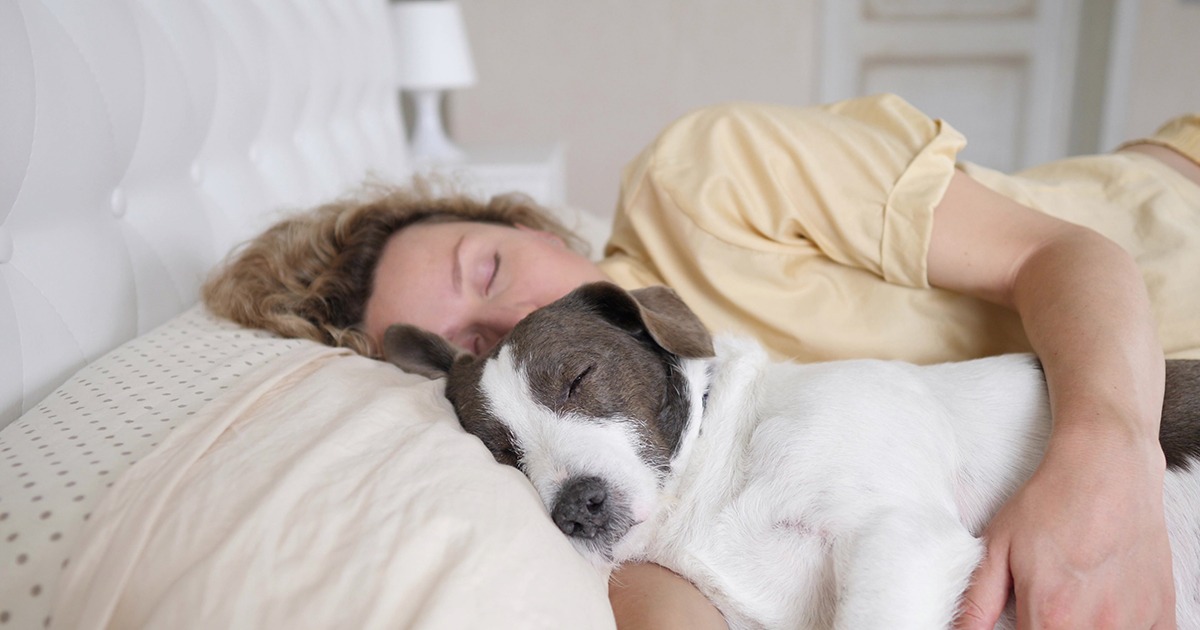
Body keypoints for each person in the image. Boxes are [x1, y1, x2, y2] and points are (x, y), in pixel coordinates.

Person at [203, 94, 1200, 629]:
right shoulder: (650, 469)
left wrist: (1104, 457)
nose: (511, 318)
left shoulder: (700, 183)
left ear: (527, 220)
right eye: (474, 345)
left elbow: (1062, 253)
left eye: (489, 267)